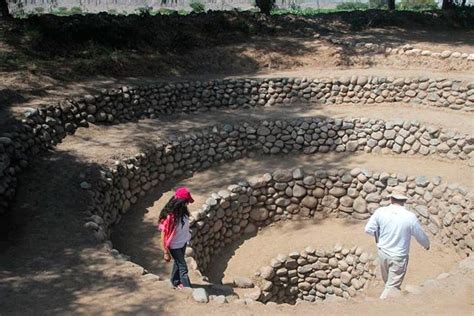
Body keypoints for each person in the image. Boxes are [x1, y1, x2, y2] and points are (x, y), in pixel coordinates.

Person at [364, 187, 430, 299]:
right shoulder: (410, 217)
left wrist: (379, 237)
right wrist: (426, 244)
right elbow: (420, 235)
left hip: (383, 253)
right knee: (391, 286)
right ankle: (381, 305)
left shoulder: (380, 212)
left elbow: (368, 229)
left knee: (388, 282)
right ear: (404, 201)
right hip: (398, 256)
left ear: (391, 199)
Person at [158, 187, 194, 289]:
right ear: (180, 202)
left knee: (178, 263)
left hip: (183, 242)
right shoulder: (170, 216)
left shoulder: (183, 210)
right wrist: (165, 252)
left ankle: (175, 281)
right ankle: (188, 289)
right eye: (186, 201)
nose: (187, 204)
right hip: (175, 246)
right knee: (183, 267)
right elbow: (163, 234)